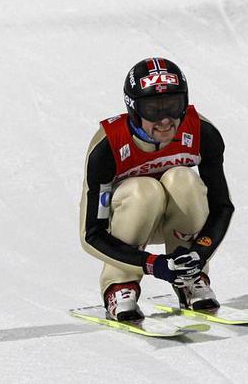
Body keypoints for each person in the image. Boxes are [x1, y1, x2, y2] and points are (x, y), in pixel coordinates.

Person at [79, 57, 234, 321]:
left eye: (173, 106)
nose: (164, 120)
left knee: (184, 180)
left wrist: (200, 253)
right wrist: (151, 264)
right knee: (144, 190)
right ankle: (121, 284)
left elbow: (222, 206)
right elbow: (91, 234)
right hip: (125, 223)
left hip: (176, 223)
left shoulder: (202, 132)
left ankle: (189, 276)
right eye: (152, 110)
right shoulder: (108, 146)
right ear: (133, 109)